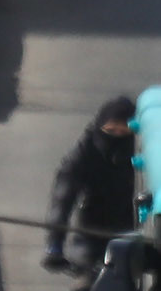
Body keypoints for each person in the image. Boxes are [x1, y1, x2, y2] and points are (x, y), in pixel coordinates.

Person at [41, 95, 141, 275]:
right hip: (91, 229)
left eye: (123, 132)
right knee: (84, 286)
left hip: (134, 229)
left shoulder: (143, 153)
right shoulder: (83, 154)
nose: (117, 137)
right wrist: (54, 245)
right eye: (111, 130)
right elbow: (62, 199)